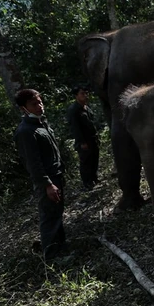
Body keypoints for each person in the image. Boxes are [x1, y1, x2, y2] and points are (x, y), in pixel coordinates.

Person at [14, 88, 67, 260]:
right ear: (24, 108)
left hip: (56, 176)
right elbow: (32, 163)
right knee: (49, 218)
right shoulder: (25, 131)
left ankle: (62, 249)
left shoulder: (41, 124)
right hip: (47, 182)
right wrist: (47, 184)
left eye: (40, 102)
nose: (39, 106)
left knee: (56, 214)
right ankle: (51, 257)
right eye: (34, 103)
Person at [66, 86, 99, 189]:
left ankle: (94, 178)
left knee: (94, 159)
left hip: (93, 138)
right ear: (76, 96)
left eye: (86, 93)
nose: (85, 96)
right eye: (82, 94)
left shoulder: (87, 107)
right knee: (86, 161)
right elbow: (75, 128)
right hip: (84, 140)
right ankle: (87, 182)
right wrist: (82, 142)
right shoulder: (74, 110)